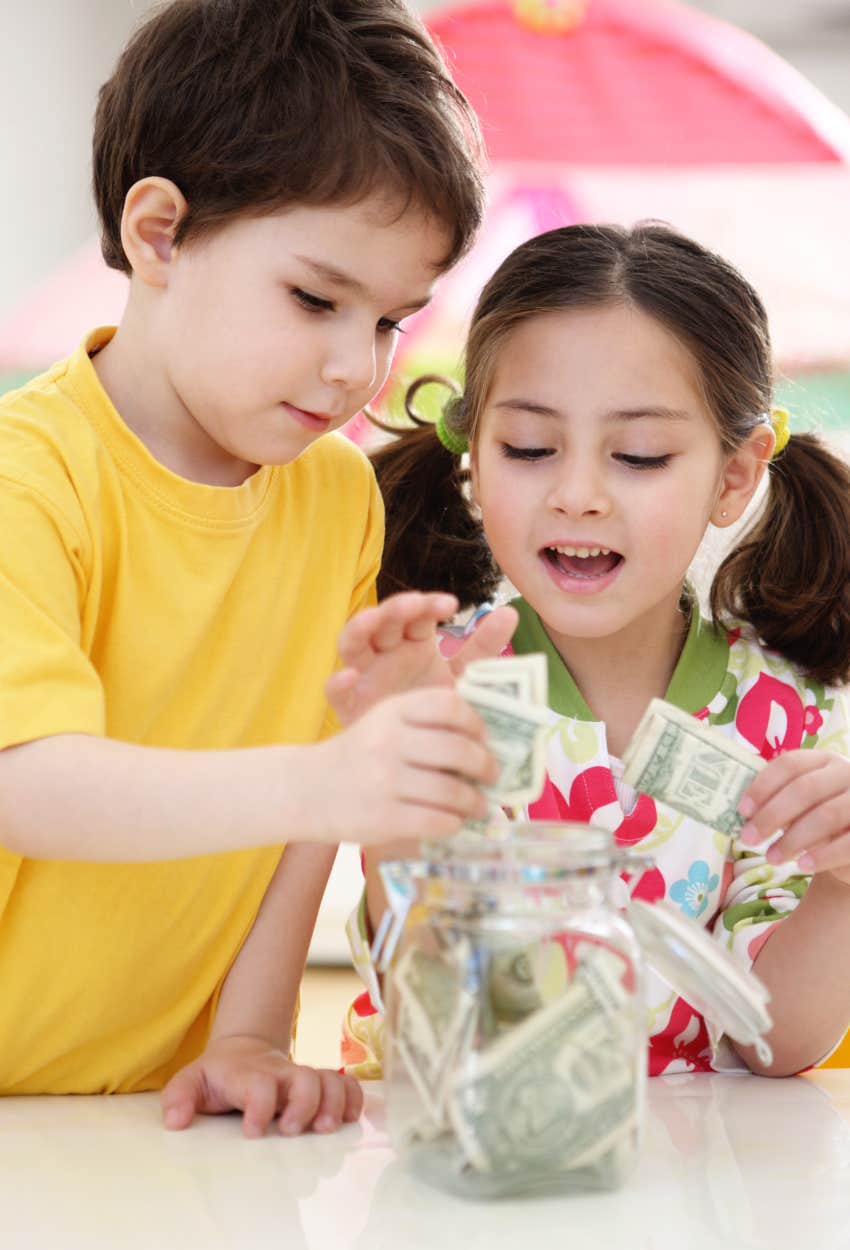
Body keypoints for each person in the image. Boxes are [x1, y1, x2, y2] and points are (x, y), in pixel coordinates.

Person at [0, 0, 519, 1133]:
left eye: (389, 320)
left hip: (158, 1114)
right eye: (316, 298)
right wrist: (322, 778)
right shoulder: (26, 483)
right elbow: (22, 780)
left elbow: (308, 811)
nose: (354, 367)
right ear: (159, 235)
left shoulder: (335, 496)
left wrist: (249, 1033)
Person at [332, 222, 850, 1080]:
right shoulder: (442, 686)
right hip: (459, 1174)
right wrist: (403, 796)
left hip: (692, 1192)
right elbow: (428, 1001)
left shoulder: (787, 717)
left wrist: (839, 884)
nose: (577, 495)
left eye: (640, 456)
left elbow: (775, 1042)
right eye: (530, 449)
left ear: (733, 476)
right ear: (474, 450)